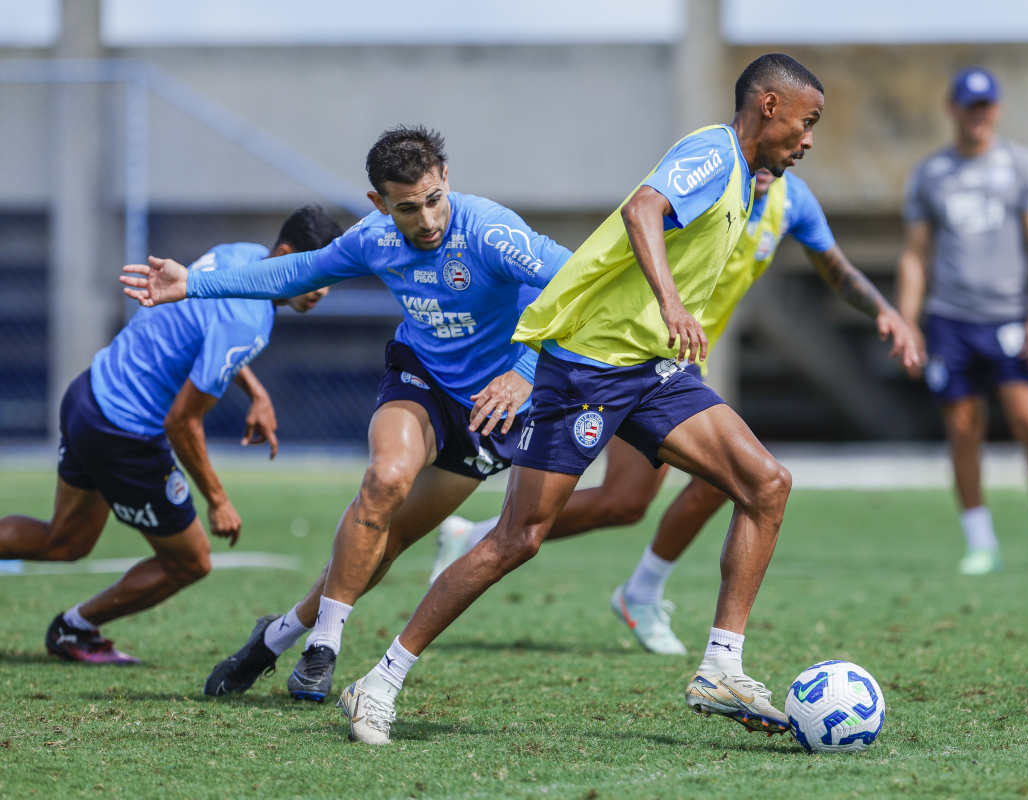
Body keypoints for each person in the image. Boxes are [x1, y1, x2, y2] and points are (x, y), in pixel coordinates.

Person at [313, 53, 840, 746]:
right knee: (517, 539)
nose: (809, 138)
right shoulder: (711, 154)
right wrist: (672, 301)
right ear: (769, 105)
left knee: (765, 483)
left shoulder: (750, 177)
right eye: (807, 122)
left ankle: (722, 665)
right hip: (586, 368)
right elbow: (643, 209)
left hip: (651, 366)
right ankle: (379, 682)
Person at [121, 126, 572, 701]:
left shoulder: (490, 231)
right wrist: (196, 284)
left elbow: (575, 281)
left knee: (389, 541)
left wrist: (525, 370)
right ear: (379, 204)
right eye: (408, 208)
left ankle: (277, 636)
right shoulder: (376, 238)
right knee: (384, 482)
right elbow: (296, 272)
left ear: (447, 182)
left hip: (491, 407)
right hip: (423, 379)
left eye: (434, 200)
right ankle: (324, 645)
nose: (428, 220)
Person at [431, 166, 921, 655]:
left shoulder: (792, 201)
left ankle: (637, 590)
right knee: (630, 502)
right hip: (631, 354)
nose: (787, 154)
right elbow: (624, 238)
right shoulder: (706, 177)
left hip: (683, 363)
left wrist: (884, 311)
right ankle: (486, 542)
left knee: (713, 485)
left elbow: (835, 266)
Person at [0, 206, 342, 664]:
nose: (322, 288)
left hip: (89, 395)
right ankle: (74, 629)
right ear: (284, 255)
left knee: (64, 541)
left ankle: (73, 629)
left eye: (329, 275)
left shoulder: (238, 255)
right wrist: (218, 500)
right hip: (125, 433)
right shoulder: (251, 320)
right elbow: (181, 423)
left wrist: (256, 392)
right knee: (191, 561)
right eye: (312, 272)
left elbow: (200, 332)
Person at [896, 67, 1028, 577]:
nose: (977, 116)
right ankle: (980, 542)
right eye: (968, 106)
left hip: (1012, 315)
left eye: (985, 106)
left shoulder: (1024, 167)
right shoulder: (930, 174)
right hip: (951, 317)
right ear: (953, 109)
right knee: (962, 427)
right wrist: (908, 320)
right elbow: (915, 255)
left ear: (995, 110)